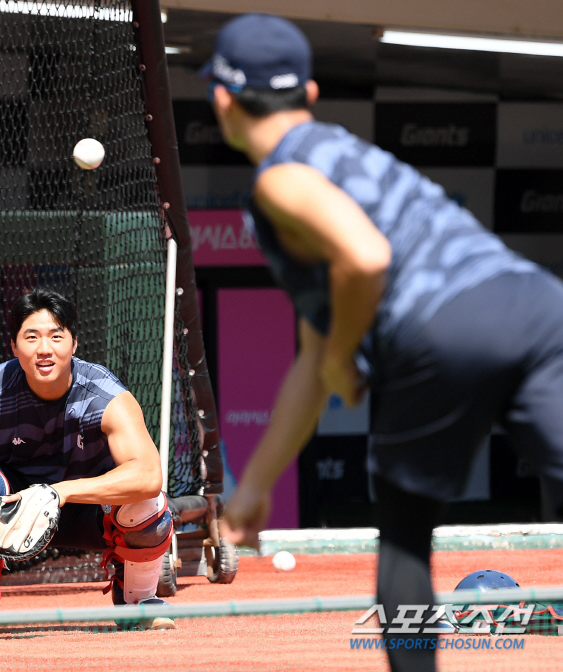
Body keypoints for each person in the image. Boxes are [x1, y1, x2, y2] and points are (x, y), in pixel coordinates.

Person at [202, 13, 563, 671]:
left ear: (221, 99)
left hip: (437, 330)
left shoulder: (279, 181)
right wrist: (255, 487)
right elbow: (312, 358)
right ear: (309, 97)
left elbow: (364, 261)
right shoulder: (347, 149)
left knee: (403, 544)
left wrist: (344, 354)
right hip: (538, 308)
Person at [0, 287, 175, 636]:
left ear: (74, 344)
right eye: (31, 337)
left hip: (92, 512)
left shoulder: (106, 395)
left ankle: (139, 603)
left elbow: (149, 475)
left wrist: (59, 492)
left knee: (148, 505)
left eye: (56, 336)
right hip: (13, 513)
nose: (44, 348)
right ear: (13, 345)